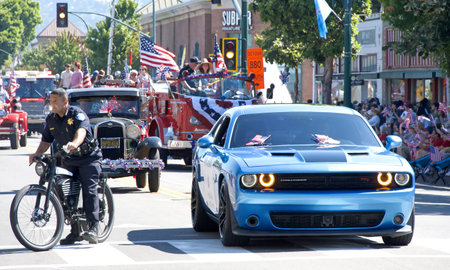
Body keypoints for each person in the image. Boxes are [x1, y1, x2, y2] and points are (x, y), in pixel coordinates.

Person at [28, 88, 102, 245]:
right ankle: (75, 232)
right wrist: (36, 154)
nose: (52, 104)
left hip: (88, 158)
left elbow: (81, 132)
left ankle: (94, 227)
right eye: (50, 101)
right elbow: (46, 141)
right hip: (69, 159)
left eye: (55, 101)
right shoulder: (51, 119)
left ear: (65, 102)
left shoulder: (76, 114)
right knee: (64, 192)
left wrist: (74, 144)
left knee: (89, 189)